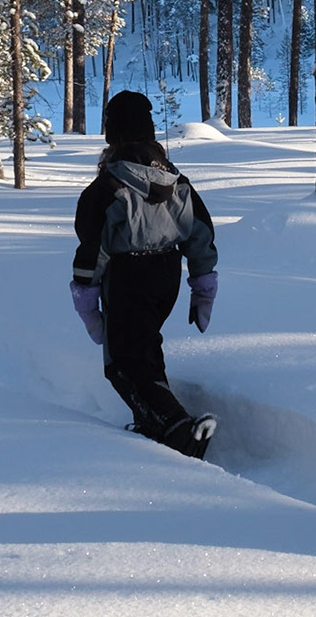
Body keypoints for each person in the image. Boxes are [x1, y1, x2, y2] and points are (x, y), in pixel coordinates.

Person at [69, 90, 219, 459]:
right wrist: (202, 284)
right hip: (166, 275)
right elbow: (199, 232)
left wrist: (86, 298)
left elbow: (94, 245)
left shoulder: (107, 186)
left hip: (126, 276)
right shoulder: (176, 181)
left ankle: (179, 432)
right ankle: (153, 421)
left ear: (111, 135)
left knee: (122, 364)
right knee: (144, 348)